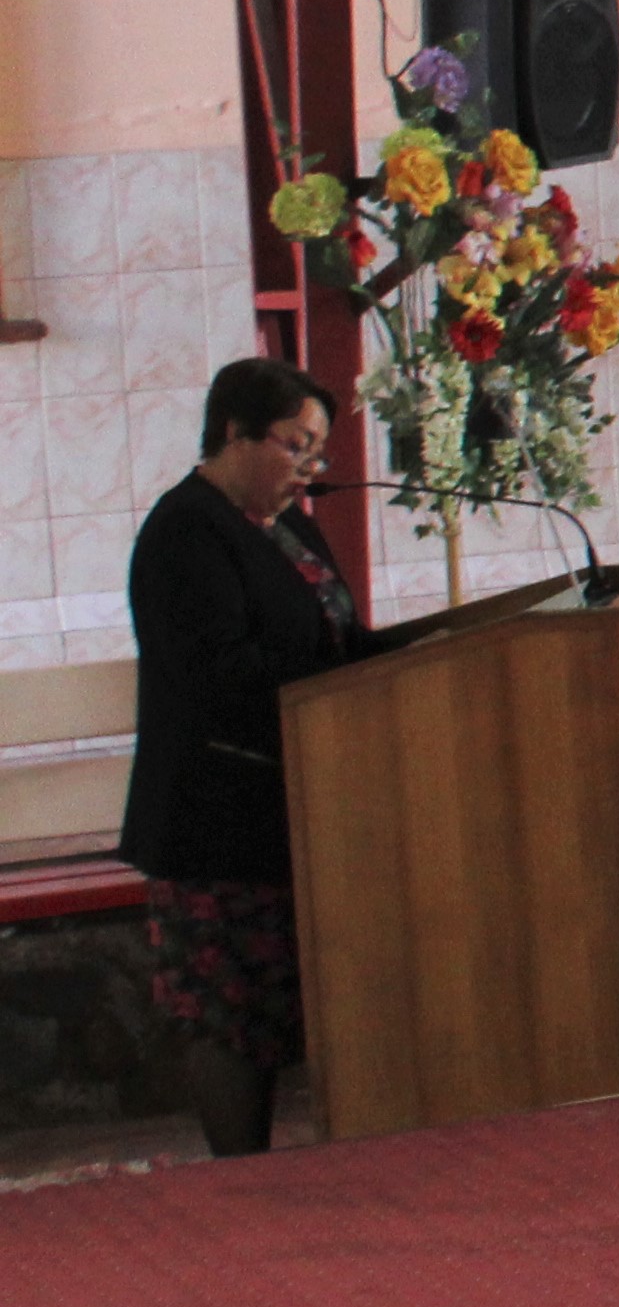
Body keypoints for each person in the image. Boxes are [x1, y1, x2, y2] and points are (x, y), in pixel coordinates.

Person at [120, 361, 383, 1155]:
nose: (309, 467)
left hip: (291, 800)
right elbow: (220, 673)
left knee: (276, 1005)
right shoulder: (185, 532)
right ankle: (239, 1175)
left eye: (317, 451)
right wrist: (336, 679)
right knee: (230, 1011)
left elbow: (335, 631)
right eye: (296, 445)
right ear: (233, 432)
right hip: (216, 814)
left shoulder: (287, 525)